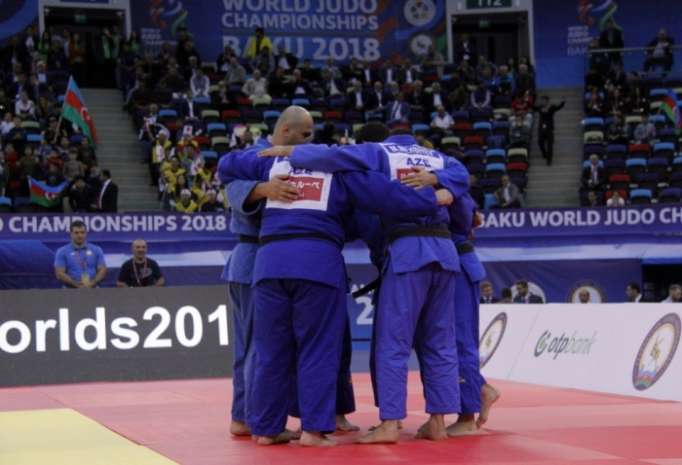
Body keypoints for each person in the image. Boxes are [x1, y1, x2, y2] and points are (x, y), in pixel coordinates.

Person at [220, 107, 454, 447]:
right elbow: (393, 198)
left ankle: (266, 429)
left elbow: (227, 165)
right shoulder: (344, 173)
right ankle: (314, 430)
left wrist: (261, 185)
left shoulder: (270, 163)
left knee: (270, 349)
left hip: (269, 265)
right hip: (317, 266)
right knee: (317, 347)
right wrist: (437, 198)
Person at [446, 193, 500, 436]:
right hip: (442, 261)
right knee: (439, 340)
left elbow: (471, 218)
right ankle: (481, 388)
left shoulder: (452, 185)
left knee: (461, 339)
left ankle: (467, 415)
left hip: (457, 263)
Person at [54, 220, 107, 288]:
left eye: (82, 232)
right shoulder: (62, 251)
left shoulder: (96, 250)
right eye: (76, 233)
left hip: (93, 288)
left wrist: (92, 284)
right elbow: (59, 274)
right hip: (70, 290)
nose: (80, 235)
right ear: (71, 234)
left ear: (86, 233)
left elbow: (102, 270)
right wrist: (77, 285)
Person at [535, 96, 565, 165]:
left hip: (549, 129)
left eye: (544, 100)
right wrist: (527, 101)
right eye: (542, 100)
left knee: (550, 145)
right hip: (541, 129)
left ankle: (549, 160)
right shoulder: (540, 107)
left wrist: (563, 102)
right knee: (540, 142)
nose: (542, 102)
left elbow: (559, 107)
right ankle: (544, 153)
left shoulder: (552, 107)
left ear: (547, 101)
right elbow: (533, 107)